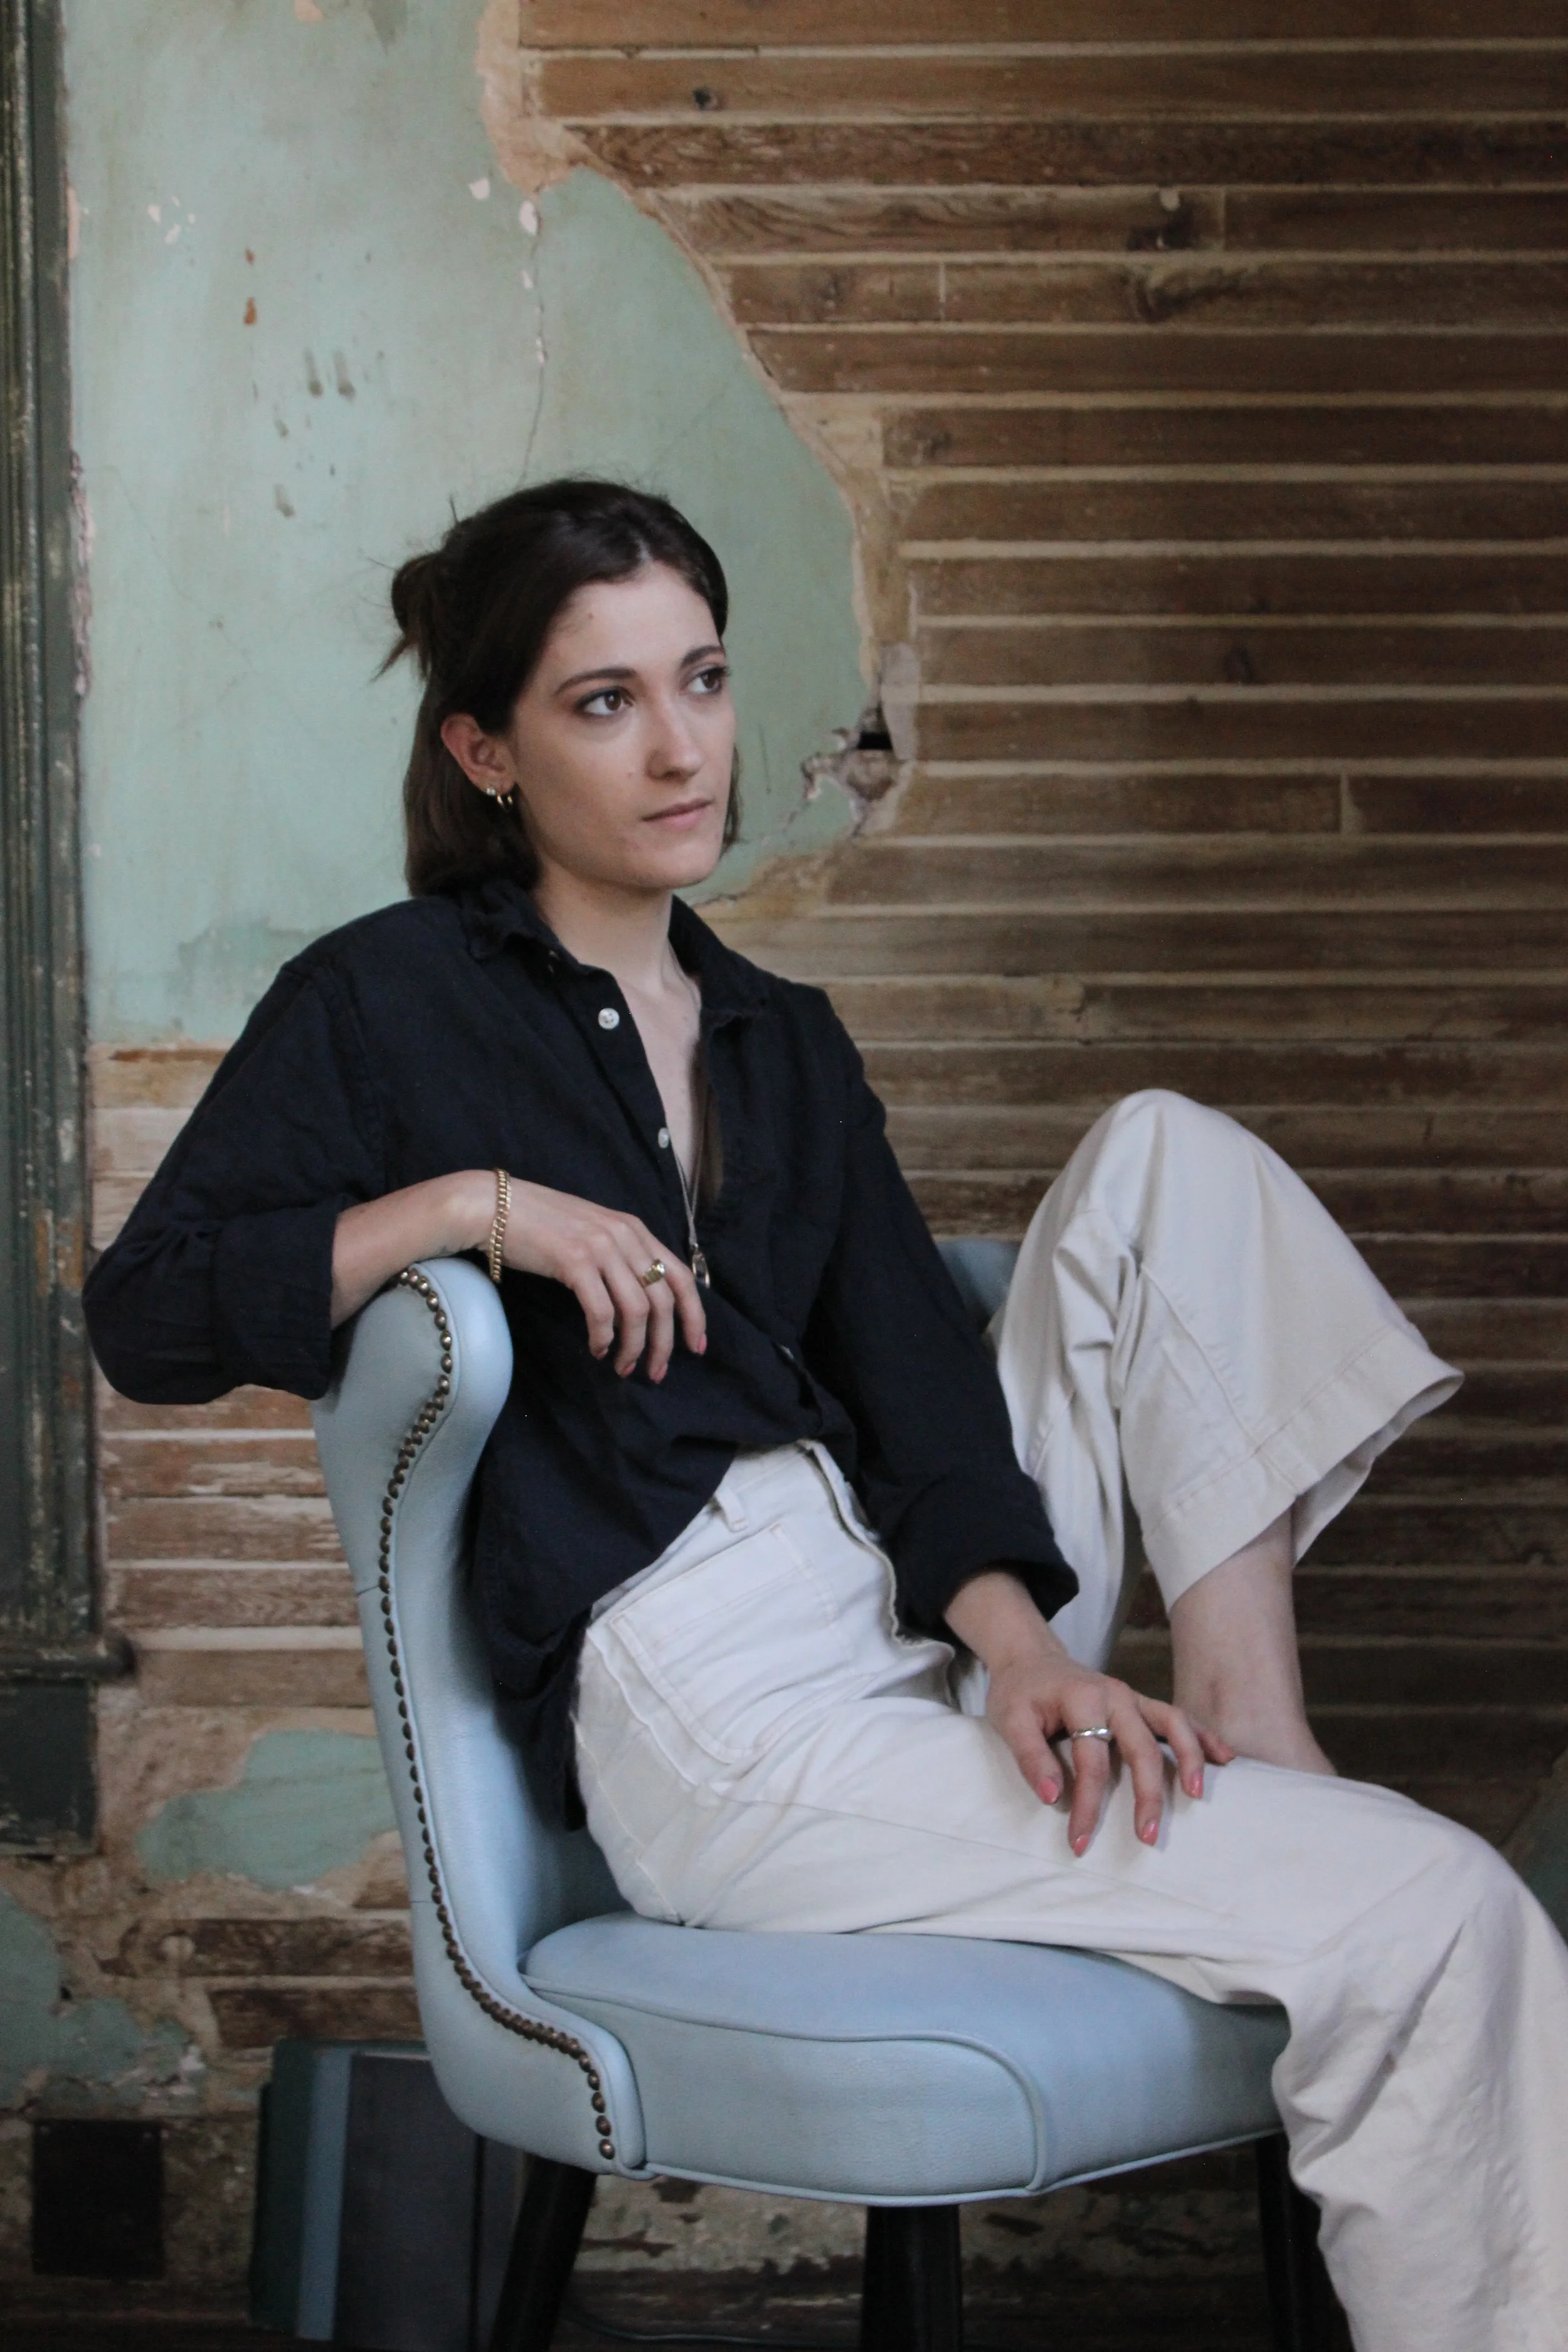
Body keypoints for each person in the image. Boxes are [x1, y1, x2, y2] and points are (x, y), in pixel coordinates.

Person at [85, 478, 1568, 2352]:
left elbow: (924, 1394)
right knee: (1430, 1906)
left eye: (697, 678)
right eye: (603, 700)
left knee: (1164, 1156)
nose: (682, 743)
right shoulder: (384, 1001)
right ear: (486, 749)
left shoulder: (784, 1034)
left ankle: (1242, 1707)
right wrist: (476, 1206)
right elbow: (142, 1313)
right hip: (724, 1714)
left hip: (913, 1622)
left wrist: (1021, 1643)